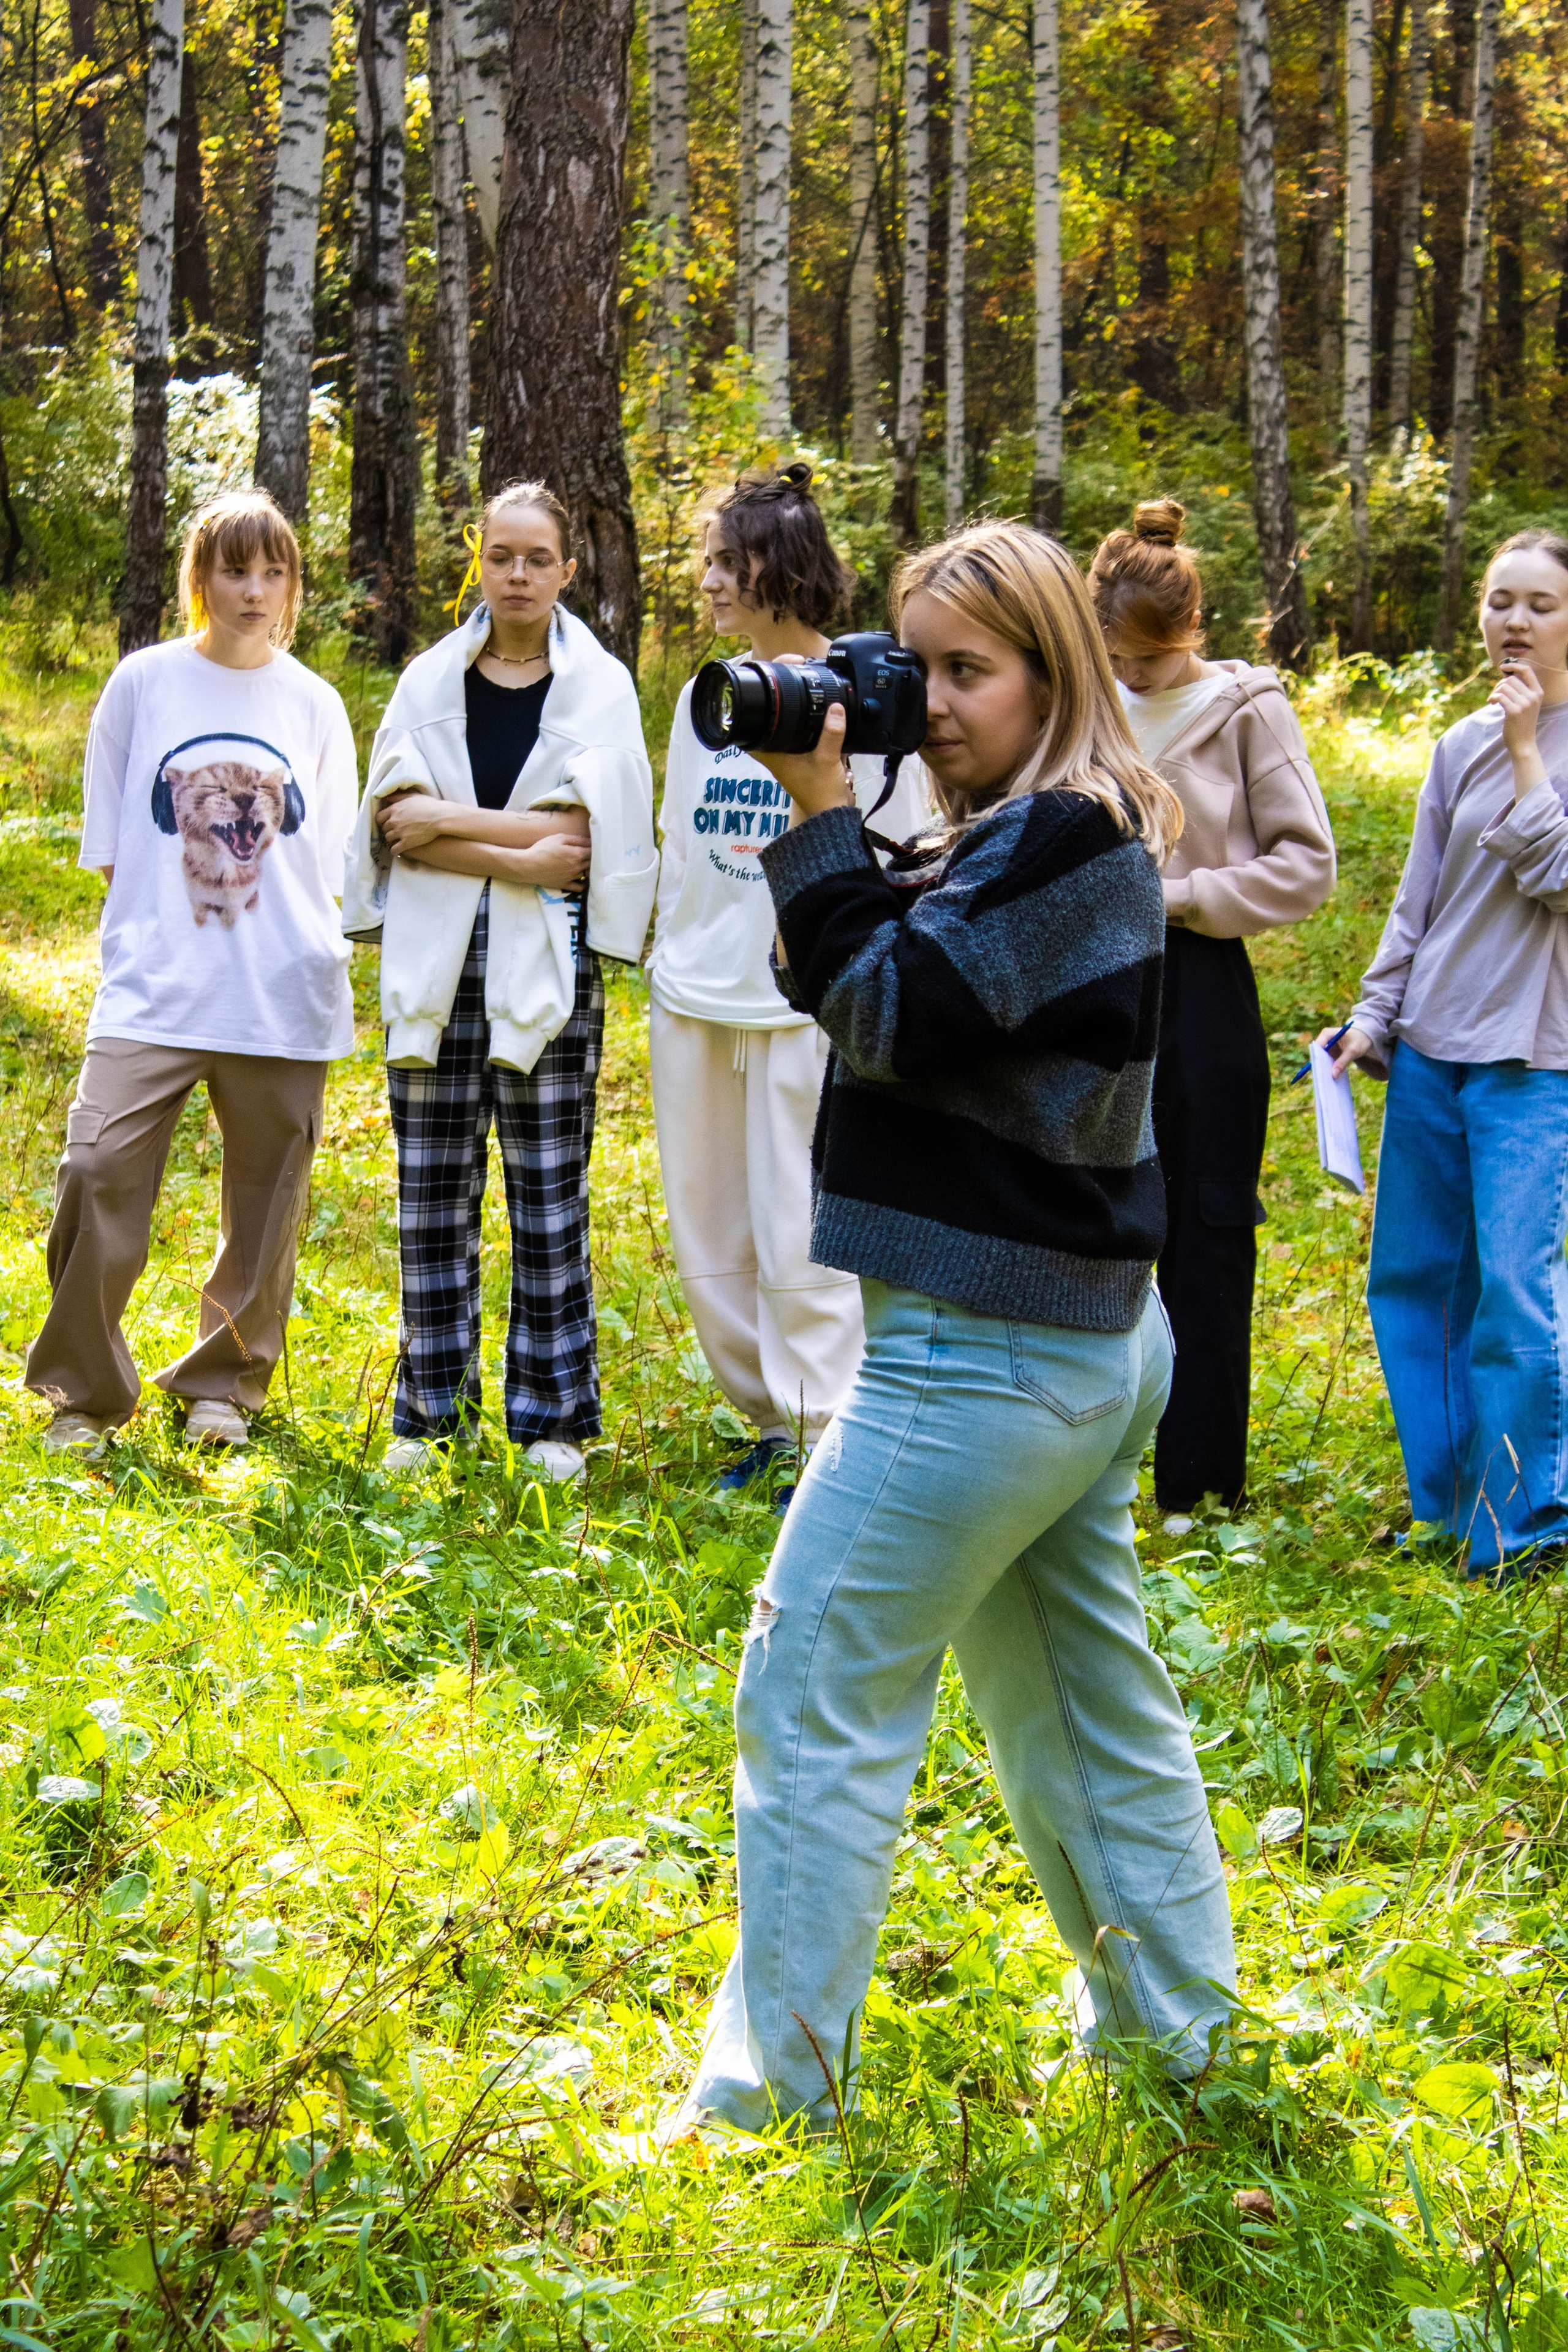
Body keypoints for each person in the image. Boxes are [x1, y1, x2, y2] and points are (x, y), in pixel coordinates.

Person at [674, 521, 1237, 2138]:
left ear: (1056, 670)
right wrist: (840, 825)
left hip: (980, 1352)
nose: (927, 703)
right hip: (1060, 1343)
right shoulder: (1037, 831)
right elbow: (847, 966)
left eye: (966, 673)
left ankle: (776, 2099)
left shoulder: (1059, 838)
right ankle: (1176, 2038)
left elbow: (888, 1009)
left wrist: (820, 811)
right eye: (913, 666)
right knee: (1077, 1699)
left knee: (812, 1688)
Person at [26, 488, 358, 1455]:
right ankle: (86, 1395)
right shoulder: (144, 683)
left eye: (274, 572)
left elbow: (324, 855)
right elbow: (116, 847)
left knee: (267, 1203)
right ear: (199, 578)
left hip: (281, 989)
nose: (254, 592)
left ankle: (225, 1383)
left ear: (293, 584)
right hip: (156, 987)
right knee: (96, 1170)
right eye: (234, 570)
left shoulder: (316, 704)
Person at [343, 481, 657, 1483]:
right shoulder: (428, 682)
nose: (518, 573)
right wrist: (520, 853)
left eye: (537, 558)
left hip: (547, 963)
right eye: (501, 555)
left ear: (567, 570)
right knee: (431, 1189)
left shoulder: (600, 691)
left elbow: (592, 844)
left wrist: (457, 831)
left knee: (547, 1192)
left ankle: (551, 1415)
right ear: (478, 563)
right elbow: (397, 824)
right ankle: (430, 1412)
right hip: (438, 963)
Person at [648, 464, 929, 1500]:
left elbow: (896, 847)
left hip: (799, 1001)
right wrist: (665, 955)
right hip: (695, 994)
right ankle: (767, 1418)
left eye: (732, 562)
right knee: (710, 1230)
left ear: (785, 567)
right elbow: (681, 837)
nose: (714, 582)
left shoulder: (860, 696)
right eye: (710, 561)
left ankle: (827, 1433)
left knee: (800, 1227)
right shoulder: (709, 694)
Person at [1319, 529, 1568, 1577]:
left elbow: (1557, 877)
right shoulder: (1457, 742)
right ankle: (1456, 1505)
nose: (1515, 623)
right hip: (1432, 1050)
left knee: (1514, 1289)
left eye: (1541, 605)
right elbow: (1417, 902)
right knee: (1416, 1282)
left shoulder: (1515, 744)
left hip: (1534, 1058)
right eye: (1499, 601)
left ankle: (1526, 1522)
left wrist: (1525, 751)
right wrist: (1374, 1019)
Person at [1088, 499, 1335, 1526]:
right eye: (1113, 656)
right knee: (1095, 1221)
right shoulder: (1084, 702)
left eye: (1143, 659)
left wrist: (1191, 895)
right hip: (1098, 978)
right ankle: (1086, 1467)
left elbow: (1307, 861)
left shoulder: (1248, 709)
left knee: (1207, 1229)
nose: (1130, 676)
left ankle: (1197, 1483)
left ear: (1187, 634)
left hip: (1201, 988)